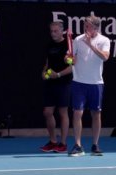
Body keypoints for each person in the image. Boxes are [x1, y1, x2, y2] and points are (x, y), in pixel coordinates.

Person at [67, 15, 110, 157]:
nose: (85, 28)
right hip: (79, 82)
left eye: (88, 26)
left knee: (96, 114)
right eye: (85, 25)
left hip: (96, 83)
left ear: (96, 28)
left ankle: (95, 144)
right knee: (77, 113)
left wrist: (90, 44)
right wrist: (68, 58)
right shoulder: (78, 40)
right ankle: (78, 145)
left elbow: (105, 57)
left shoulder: (104, 40)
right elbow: (72, 58)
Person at [40, 22, 72, 153]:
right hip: (50, 82)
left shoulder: (68, 45)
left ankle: (63, 144)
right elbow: (47, 63)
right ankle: (53, 141)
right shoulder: (49, 45)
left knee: (63, 113)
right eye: (51, 31)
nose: (53, 33)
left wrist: (58, 75)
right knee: (47, 112)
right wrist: (43, 72)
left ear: (62, 31)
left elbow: (72, 67)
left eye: (56, 31)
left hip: (64, 82)